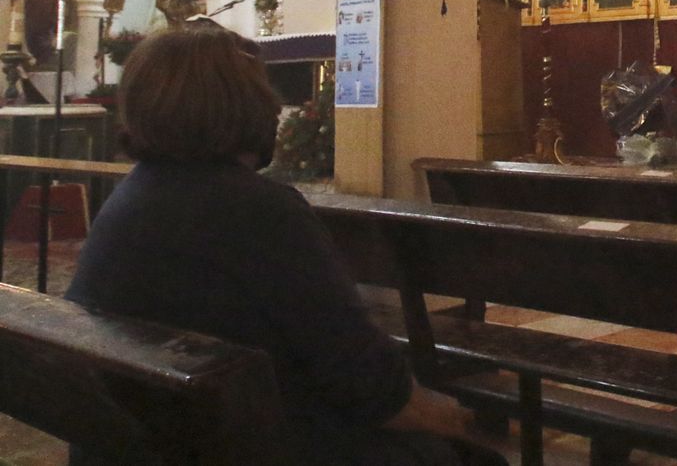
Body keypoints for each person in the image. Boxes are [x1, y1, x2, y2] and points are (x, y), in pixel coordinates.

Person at [66, 25, 506, 466]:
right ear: (243, 106)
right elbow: (366, 380)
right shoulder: (260, 211)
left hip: (145, 440)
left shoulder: (130, 199)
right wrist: (452, 419)